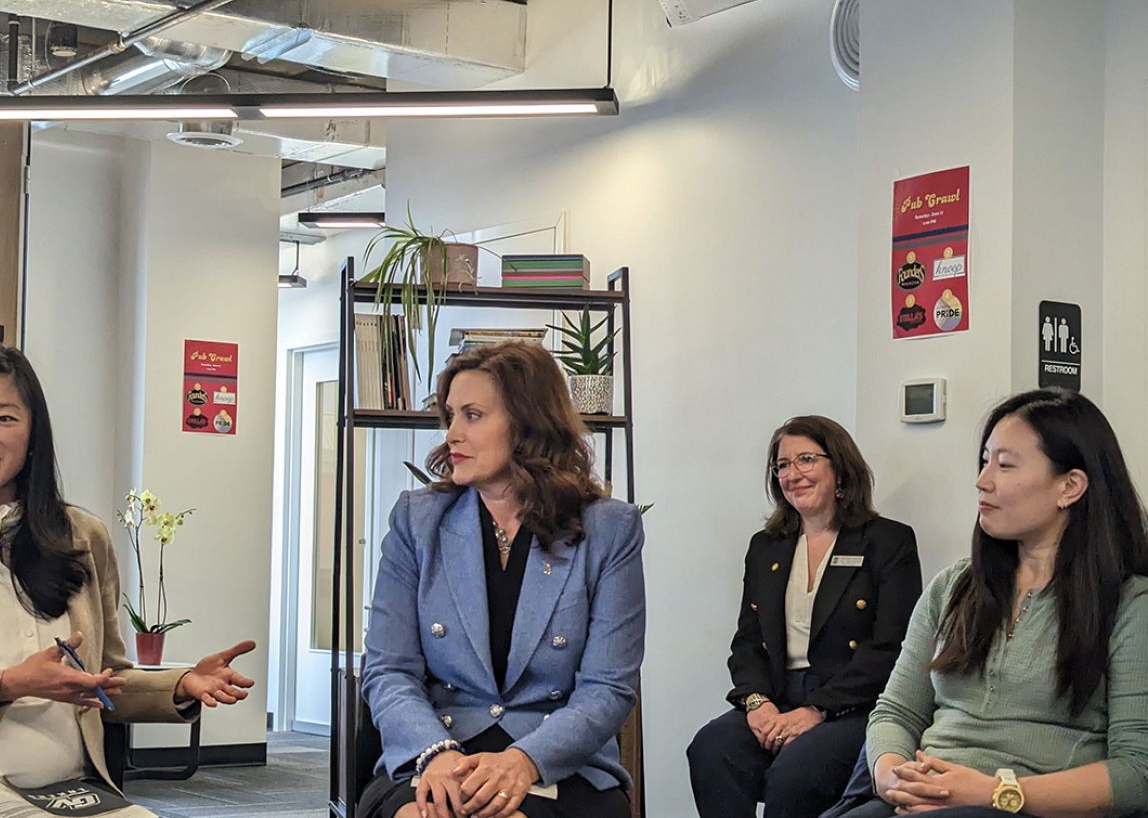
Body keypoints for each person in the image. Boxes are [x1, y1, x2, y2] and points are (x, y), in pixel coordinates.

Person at [0, 343, 257, 818]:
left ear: (33, 431)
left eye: (5, 418)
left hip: (67, 789)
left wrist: (182, 683)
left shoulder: (82, 536)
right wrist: (12, 683)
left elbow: (105, 680)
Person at [357, 341, 645, 818]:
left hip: (555, 761)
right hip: (436, 753)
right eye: (450, 415)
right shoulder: (418, 521)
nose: (452, 434)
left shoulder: (609, 530)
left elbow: (607, 688)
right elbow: (389, 670)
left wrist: (524, 761)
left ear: (528, 423)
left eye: (472, 415)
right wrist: (437, 753)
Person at [832, 389, 1148, 818]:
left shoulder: (1130, 606)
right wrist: (894, 779)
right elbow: (896, 711)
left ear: (1070, 486)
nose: (983, 481)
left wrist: (997, 792)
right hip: (919, 799)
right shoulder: (953, 585)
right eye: (984, 461)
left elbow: (1137, 772)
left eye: (1005, 465)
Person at [687, 415, 922, 818]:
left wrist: (817, 709)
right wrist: (757, 703)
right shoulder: (766, 547)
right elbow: (747, 642)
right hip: (776, 699)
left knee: (796, 773)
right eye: (782, 465)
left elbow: (891, 649)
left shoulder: (888, 542)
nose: (792, 474)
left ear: (840, 468)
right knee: (711, 748)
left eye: (806, 460)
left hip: (852, 707)